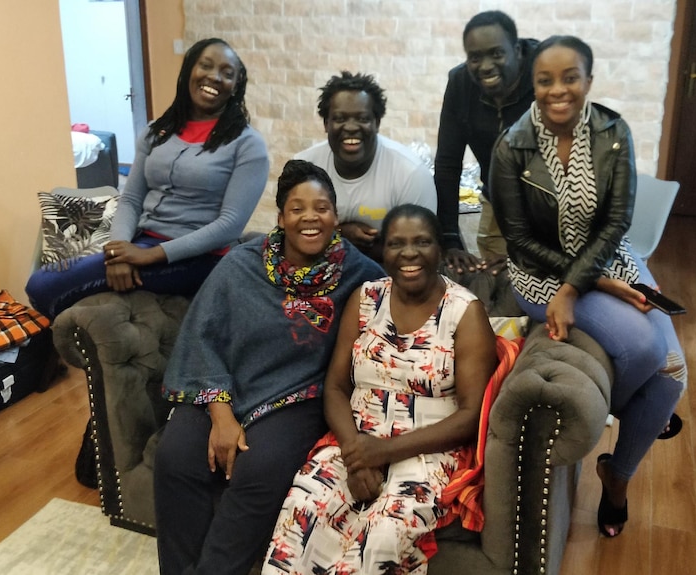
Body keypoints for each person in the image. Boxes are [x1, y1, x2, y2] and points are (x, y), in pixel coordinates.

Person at [489, 35, 688, 538]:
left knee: (673, 374)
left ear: (589, 81)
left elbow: (617, 221)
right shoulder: (512, 147)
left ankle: (616, 477)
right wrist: (589, 283)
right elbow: (517, 240)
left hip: (607, 258)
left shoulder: (613, 132)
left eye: (570, 77)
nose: (559, 90)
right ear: (532, 85)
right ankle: (637, 416)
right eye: (545, 80)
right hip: (539, 275)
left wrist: (585, 283)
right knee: (644, 347)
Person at [153, 159, 384, 575]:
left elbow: (407, 302)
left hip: (297, 398)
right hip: (222, 388)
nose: (310, 217)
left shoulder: (361, 275)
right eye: (297, 208)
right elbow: (202, 337)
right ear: (281, 217)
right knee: (175, 457)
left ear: (335, 215)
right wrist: (221, 414)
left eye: (322, 207)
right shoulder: (240, 265)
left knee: (259, 467)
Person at [262, 204, 498, 574]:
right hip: (355, 440)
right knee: (303, 506)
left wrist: (382, 452)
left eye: (422, 242)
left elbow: (470, 417)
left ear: (439, 249)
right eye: (396, 243)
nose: (408, 253)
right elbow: (337, 387)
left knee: (385, 532)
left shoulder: (464, 313)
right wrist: (357, 453)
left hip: (428, 451)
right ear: (383, 252)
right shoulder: (366, 298)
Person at [26, 38, 269, 319]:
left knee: (43, 285)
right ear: (189, 69)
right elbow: (130, 198)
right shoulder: (157, 130)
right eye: (206, 65)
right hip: (140, 243)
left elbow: (229, 226)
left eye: (228, 73)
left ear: (236, 86)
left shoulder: (248, 145)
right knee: (44, 282)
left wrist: (150, 256)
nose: (214, 76)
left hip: (199, 259)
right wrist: (118, 253)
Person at [434, 10, 537, 275]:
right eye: (475, 57)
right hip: (499, 201)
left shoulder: (544, 72)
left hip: (550, 206)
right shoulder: (461, 83)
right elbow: (448, 164)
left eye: (497, 54)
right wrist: (450, 238)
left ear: (517, 50)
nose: (486, 66)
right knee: (496, 282)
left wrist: (528, 257)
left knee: (538, 285)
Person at [295, 71, 437, 262]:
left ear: (377, 123)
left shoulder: (410, 173)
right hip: (315, 274)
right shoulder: (303, 168)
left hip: (389, 278)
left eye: (362, 118)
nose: (351, 127)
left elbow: (421, 251)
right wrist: (339, 234)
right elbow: (289, 235)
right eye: (340, 118)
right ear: (326, 124)